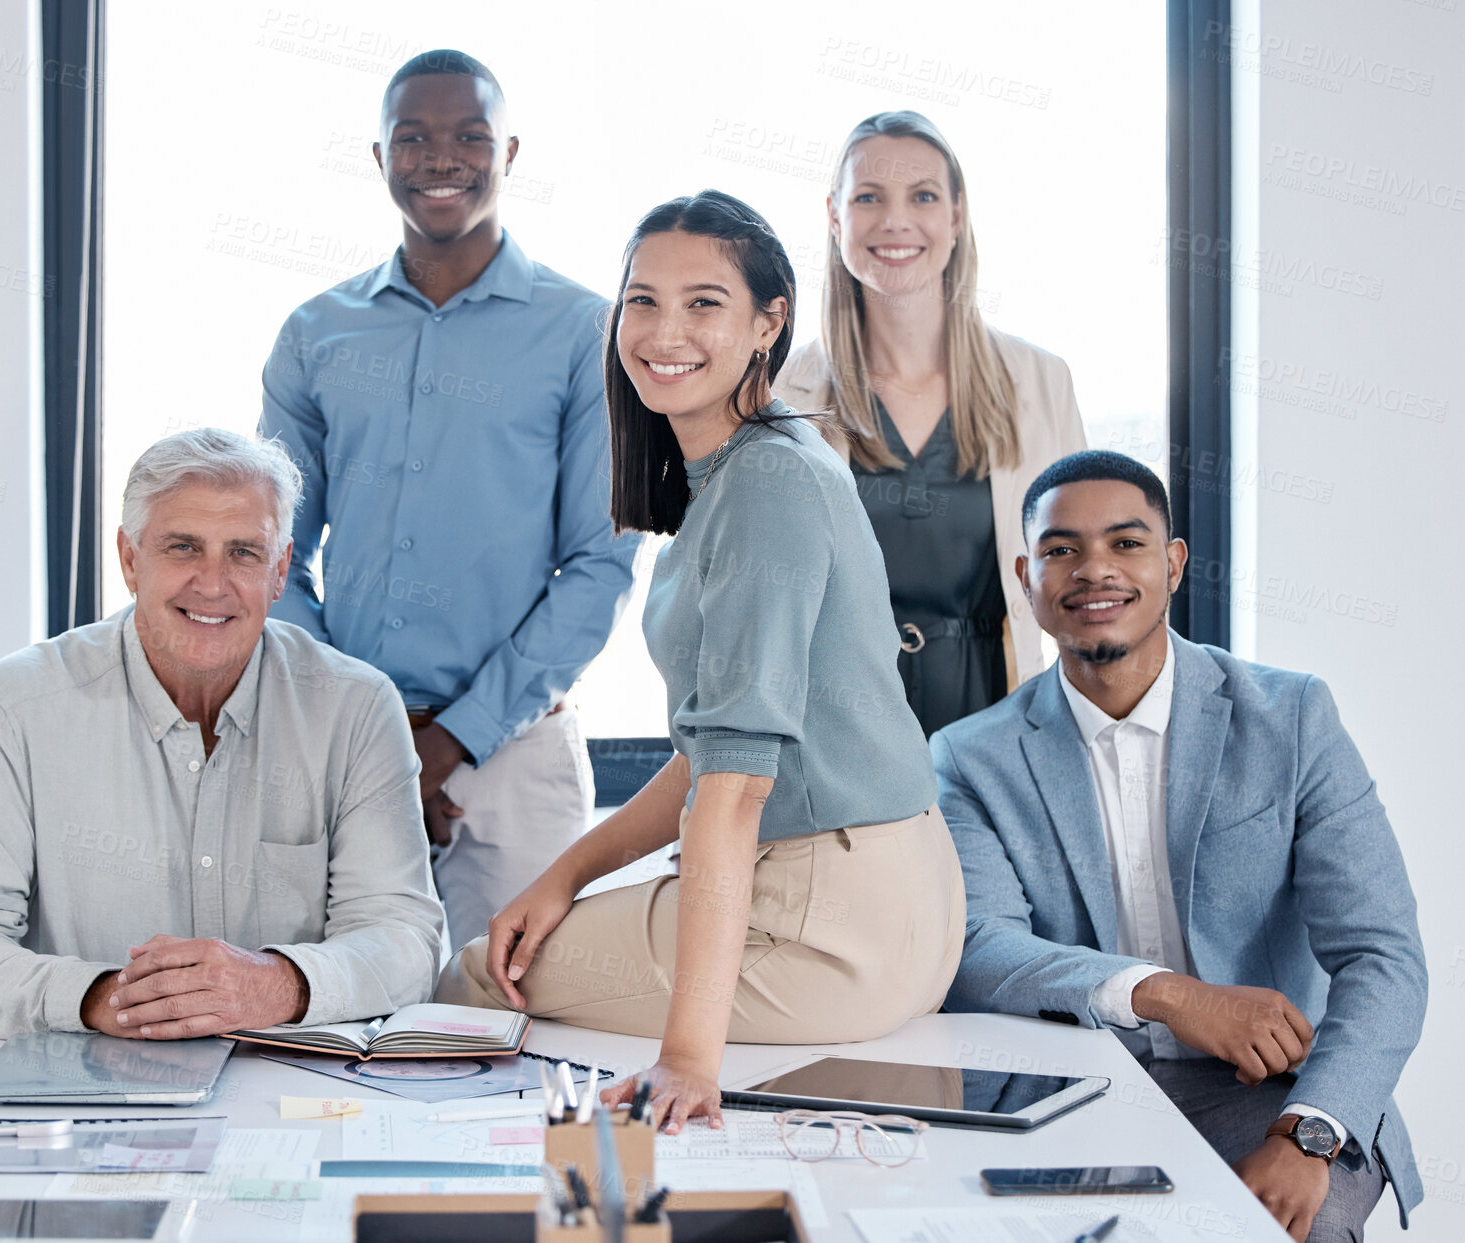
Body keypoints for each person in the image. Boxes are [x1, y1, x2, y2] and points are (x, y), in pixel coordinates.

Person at [435, 190, 965, 1133]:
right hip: (886, 897)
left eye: (703, 303)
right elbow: (708, 747)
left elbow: (730, 792)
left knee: (478, 970)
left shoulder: (763, 482)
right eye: (641, 300)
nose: (662, 330)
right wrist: (564, 875)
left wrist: (688, 1059)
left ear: (770, 322)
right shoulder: (755, 464)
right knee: (527, 940)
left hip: (828, 919)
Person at [931, 450, 1425, 1241]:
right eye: (1061, 550)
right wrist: (1167, 993)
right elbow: (980, 945)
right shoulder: (968, 755)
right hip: (1072, 1084)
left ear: (1171, 564)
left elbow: (1382, 955)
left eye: (1125, 544)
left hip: (1268, 1089)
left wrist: (1308, 1130)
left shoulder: (1290, 717)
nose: (1093, 569)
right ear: (1026, 578)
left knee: (1301, 1226)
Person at [259, 49, 639, 948]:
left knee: (516, 1028)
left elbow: (601, 563)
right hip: (342, 749)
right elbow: (268, 553)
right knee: (334, 1030)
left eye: (469, 136)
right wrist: (370, 723)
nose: (441, 159)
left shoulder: (585, 331)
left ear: (508, 153)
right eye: (414, 138)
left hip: (515, 759)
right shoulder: (315, 333)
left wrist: (451, 740)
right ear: (380, 155)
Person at [0, 430, 444, 1040]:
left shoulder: (357, 708)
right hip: (79, 1092)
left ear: (281, 569)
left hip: (296, 1098)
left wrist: (272, 984)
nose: (212, 584)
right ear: (130, 559)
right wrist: (107, 997)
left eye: (243, 553)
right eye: (183, 547)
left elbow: (406, 940)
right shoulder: (13, 707)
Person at [773, 111, 1087, 736]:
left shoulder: (1041, 383)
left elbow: (1083, 578)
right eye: (869, 197)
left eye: (922, 196)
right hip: (836, 741)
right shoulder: (782, 395)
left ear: (956, 216)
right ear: (834, 217)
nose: (895, 220)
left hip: (999, 736)